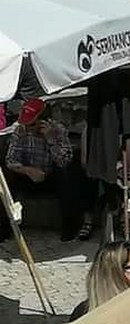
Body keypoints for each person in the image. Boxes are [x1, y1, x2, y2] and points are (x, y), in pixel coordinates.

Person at [3, 99, 92, 242]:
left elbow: (64, 161)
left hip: (50, 175)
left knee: (68, 176)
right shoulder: (20, 131)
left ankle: (70, 228)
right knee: (6, 180)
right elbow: (10, 160)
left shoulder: (58, 130)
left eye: (32, 124)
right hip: (28, 175)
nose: (28, 128)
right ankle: (4, 229)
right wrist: (27, 170)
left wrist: (50, 140)